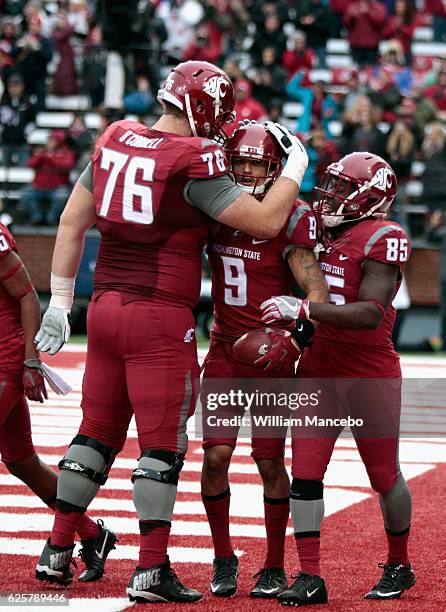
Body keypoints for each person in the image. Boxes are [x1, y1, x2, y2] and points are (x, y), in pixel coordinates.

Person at [33, 60, 308, 603]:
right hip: (159, 317)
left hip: (104, 311)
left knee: (94, 435)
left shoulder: (114, 136)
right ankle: (152, 568)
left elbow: (70, 222)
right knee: (162, 449)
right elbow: (264, 222)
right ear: (205, 108)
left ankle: (57, 550)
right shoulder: (194, 157)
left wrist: (60, 303)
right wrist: (295, 168)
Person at [260, 152, 414, 605]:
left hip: (369, 375)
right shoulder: (320, 230)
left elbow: (369, 313)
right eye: (332, 184)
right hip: (318, 371)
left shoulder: (385, 236)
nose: (333, 194)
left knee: (384, 475)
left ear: (372, 194)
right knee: (306, 476)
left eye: (344, 187)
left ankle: (400, 563)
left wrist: (306, 309)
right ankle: (310, 575)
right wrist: (293, 325)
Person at [201, 123, 328, 599]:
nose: (248, 170)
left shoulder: (292, 216)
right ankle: (223, 555)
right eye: (240, 162)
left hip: (271, 354)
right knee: (215, 456)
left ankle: (274, 564)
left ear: (277, 169)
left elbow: (314, 285)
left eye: (258, 163)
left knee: (269, 462)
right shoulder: (215, 205)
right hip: (224, 350)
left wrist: (300, 330)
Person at [0, 221, 117, 586]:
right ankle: (94, 536)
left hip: (3, 355)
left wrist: (30, 360)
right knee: (21, 462)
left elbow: (26, 296)